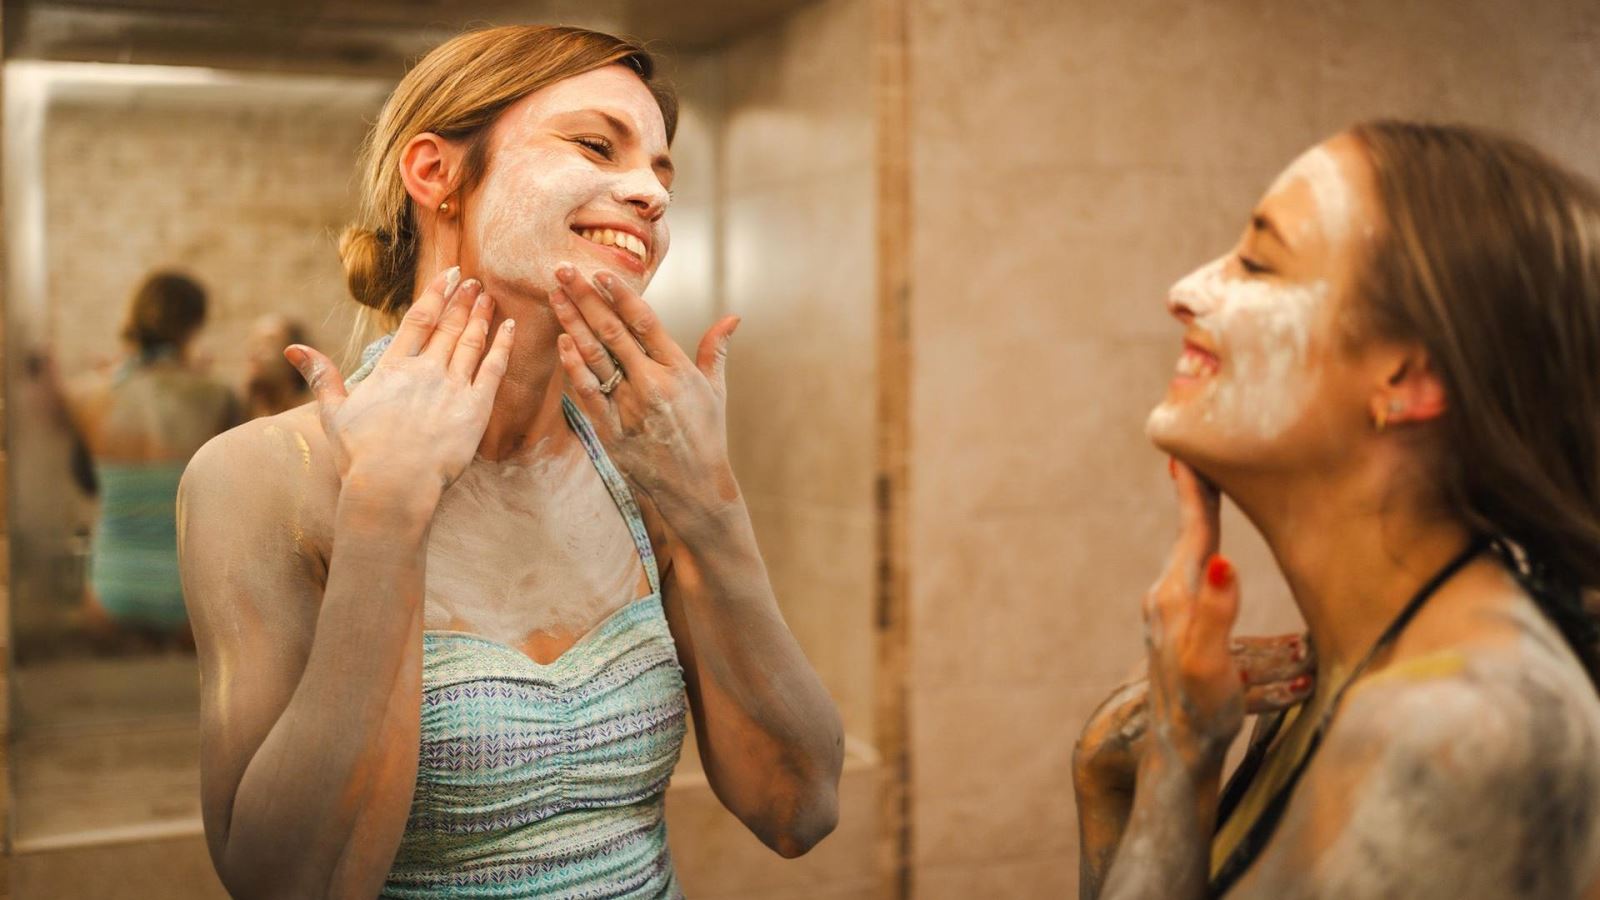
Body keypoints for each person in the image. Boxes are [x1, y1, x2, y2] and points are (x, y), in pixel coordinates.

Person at [177, 25, 843, 898]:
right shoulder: (260, 477)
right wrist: (385, 514)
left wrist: (710, 510)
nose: (648, 192)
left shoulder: (640, 463)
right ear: (435, 174)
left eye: (663, 171)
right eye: (596, 144)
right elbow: (292, 885)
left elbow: (798, 809)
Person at [1073, 122, 1600, 898]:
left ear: (1405, 377)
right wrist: (1128, 775)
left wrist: (1178, 758)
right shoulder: (1344, 672)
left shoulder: (1468, 731)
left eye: (1257, 262)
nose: (1185, 289)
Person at [54, 270, 237, 637]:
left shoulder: (86, 397)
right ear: (194, 325)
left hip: (112, 589)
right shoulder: (219, 397)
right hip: (188, 594)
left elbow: (84, 481)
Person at [241, 313, 312, 418]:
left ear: (294, 356)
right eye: (254, 343)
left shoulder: (309, 420)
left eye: (269, 343)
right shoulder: (233, 417)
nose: (256, 352)